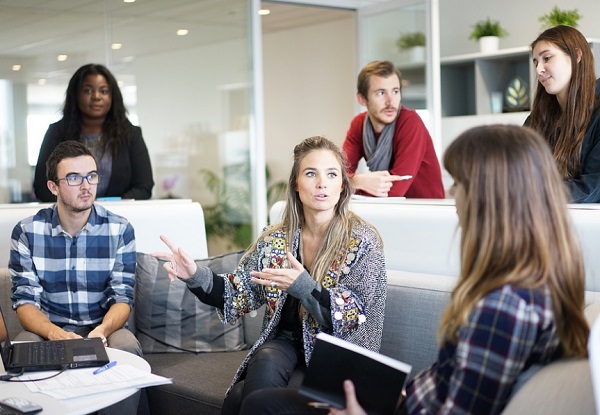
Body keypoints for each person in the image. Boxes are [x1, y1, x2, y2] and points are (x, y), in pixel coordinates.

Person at [239, 125, 590, 415]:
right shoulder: (529, 285)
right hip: (404, 401)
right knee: (258, 398)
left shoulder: (504, 307)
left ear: (491, 197)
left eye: (460, 183)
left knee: (261, 406)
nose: (452, 194)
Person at [153, 136, 387, 414]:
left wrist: (303, 286)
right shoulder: (276, 239)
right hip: (286, 343)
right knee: (264, 359)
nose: (322, 183)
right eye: (311, 173)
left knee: (241, 397)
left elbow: (351, 315)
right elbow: (236, 293)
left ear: (342, 186)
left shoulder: (363, 240)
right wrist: (193, 274)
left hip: (338, 354)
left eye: (332, 174)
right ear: (296, 186)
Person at [10, 141, 141, 357]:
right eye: (73, 178)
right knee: (21, 348)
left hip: (103, 328)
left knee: (127, 346)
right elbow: (25, 301)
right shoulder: (27, 232)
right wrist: (55, 333)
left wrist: (102, 330)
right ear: (53, 187)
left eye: (92, 176)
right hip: (48, 329)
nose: (86, 186)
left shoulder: (120, 229)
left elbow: (122, 297)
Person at [33, 63, 154, 202]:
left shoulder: (131, 134)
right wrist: (78, 207)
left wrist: (109, 209)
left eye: (104, 91)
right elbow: (42, 187)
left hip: (118, 217)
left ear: (113, 97)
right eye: (88, 91)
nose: (96, 97)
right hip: (69, 219)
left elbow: (144, 187)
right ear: (75, 95)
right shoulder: (57, 133)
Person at [342, 60, 444, 198]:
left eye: (395, 91)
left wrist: (352, 183)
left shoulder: (410, 122)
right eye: (380, 93)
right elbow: (337, 176)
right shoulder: (358, 124)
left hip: (425, 211)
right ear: (362, 99)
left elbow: (395, 190)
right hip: (388, 210)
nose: (390, 101)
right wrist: (358, 181)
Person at [526, 25, 600, 203]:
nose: (539, 70)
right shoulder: (537, 118)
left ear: (576, 56)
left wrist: (530, 196)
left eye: (547, 58)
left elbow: (593, 186)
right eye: (536, 62)